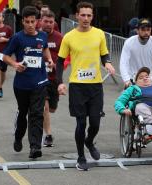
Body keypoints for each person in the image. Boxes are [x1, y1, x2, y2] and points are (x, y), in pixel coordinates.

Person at [56, 1, 115, 171]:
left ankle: (89, 142)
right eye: (83, 15)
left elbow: (104, 55)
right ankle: (81, 156)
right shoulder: (69, 37)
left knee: (95, 123)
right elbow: (60, 62)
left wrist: (108, 63)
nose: (86, 18)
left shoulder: (99, 34)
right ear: (77, 16)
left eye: (89, 15)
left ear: (92, 16)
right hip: (77, 86)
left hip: (95, 86)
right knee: (81, 123)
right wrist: (60, 82)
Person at [2, 6, 53, 159]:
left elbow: (44, 50)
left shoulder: (43, 35)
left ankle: (35, 147)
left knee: (37, 114)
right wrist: (15, 64)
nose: (30, 25)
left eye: (33, 21)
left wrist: (49, 60)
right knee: (23, 113)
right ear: (22, 21)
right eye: (27, 22)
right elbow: (5, 56)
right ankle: (18, 137)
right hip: (21, 85)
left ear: (37, 21)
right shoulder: (17, 38)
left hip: (40, 82)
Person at [120, 18, 152, 88]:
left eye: (148, 30)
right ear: (137, 30)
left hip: (148, 80)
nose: (146, 32)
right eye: (143, 30)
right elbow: (123, 62)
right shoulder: (129, 42)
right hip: (132, 80)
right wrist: (126, 80)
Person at [41, 10, 63, 147]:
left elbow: (66, 58)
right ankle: (48, 135)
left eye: (51, 22)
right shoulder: (35, 35)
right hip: (39, 78)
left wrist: (59, 67)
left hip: (54, 78)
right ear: (40, 21)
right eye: (46, 21)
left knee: (52, 109)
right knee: (45, 107)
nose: (48, 24)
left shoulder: (60, 38)